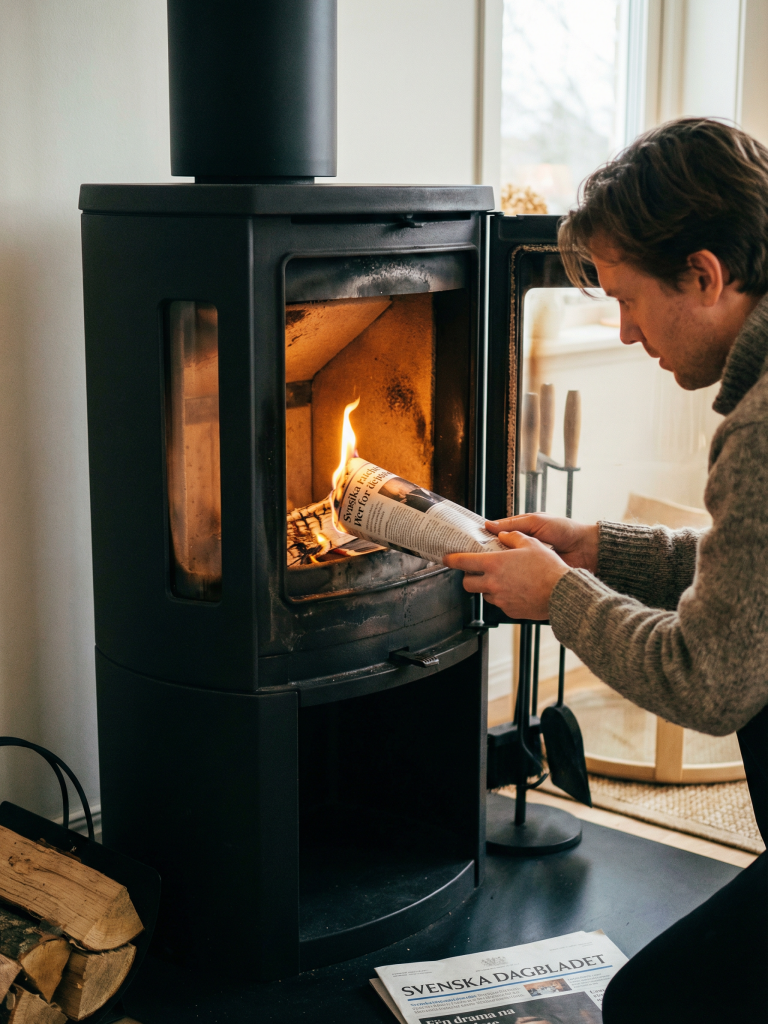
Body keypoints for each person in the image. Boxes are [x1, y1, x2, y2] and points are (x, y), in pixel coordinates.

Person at [444, 118, 768, 1024]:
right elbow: (753, 586)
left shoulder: (760, 429)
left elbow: (710, 678)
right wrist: (597, 548)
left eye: (628, 300)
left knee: (651, 1008)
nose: (624, 333)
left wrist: (559, 596)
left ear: (703, 276)